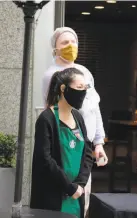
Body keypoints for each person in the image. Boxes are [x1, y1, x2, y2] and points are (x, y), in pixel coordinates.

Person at [42, 27, 108, 216]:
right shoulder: (52, 75)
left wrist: (98, 142)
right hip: (67, 144)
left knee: (83, 198)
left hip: (85, 145)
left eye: (73, 42)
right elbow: (52, 110)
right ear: (55, 48)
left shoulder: (84, 71)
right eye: (64, 43)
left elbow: (95, 107)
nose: (70, 46)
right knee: (66, 196)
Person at [30, 68, 93, 218]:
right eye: (79, 88)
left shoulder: (78, 117)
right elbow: (45, 159)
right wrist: (68, 187)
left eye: (85, 88)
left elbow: (88, 154)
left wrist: (80, 184)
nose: (83, 92)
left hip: (76, 195)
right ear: (63, 89)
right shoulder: (47, 119)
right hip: (54, 196)